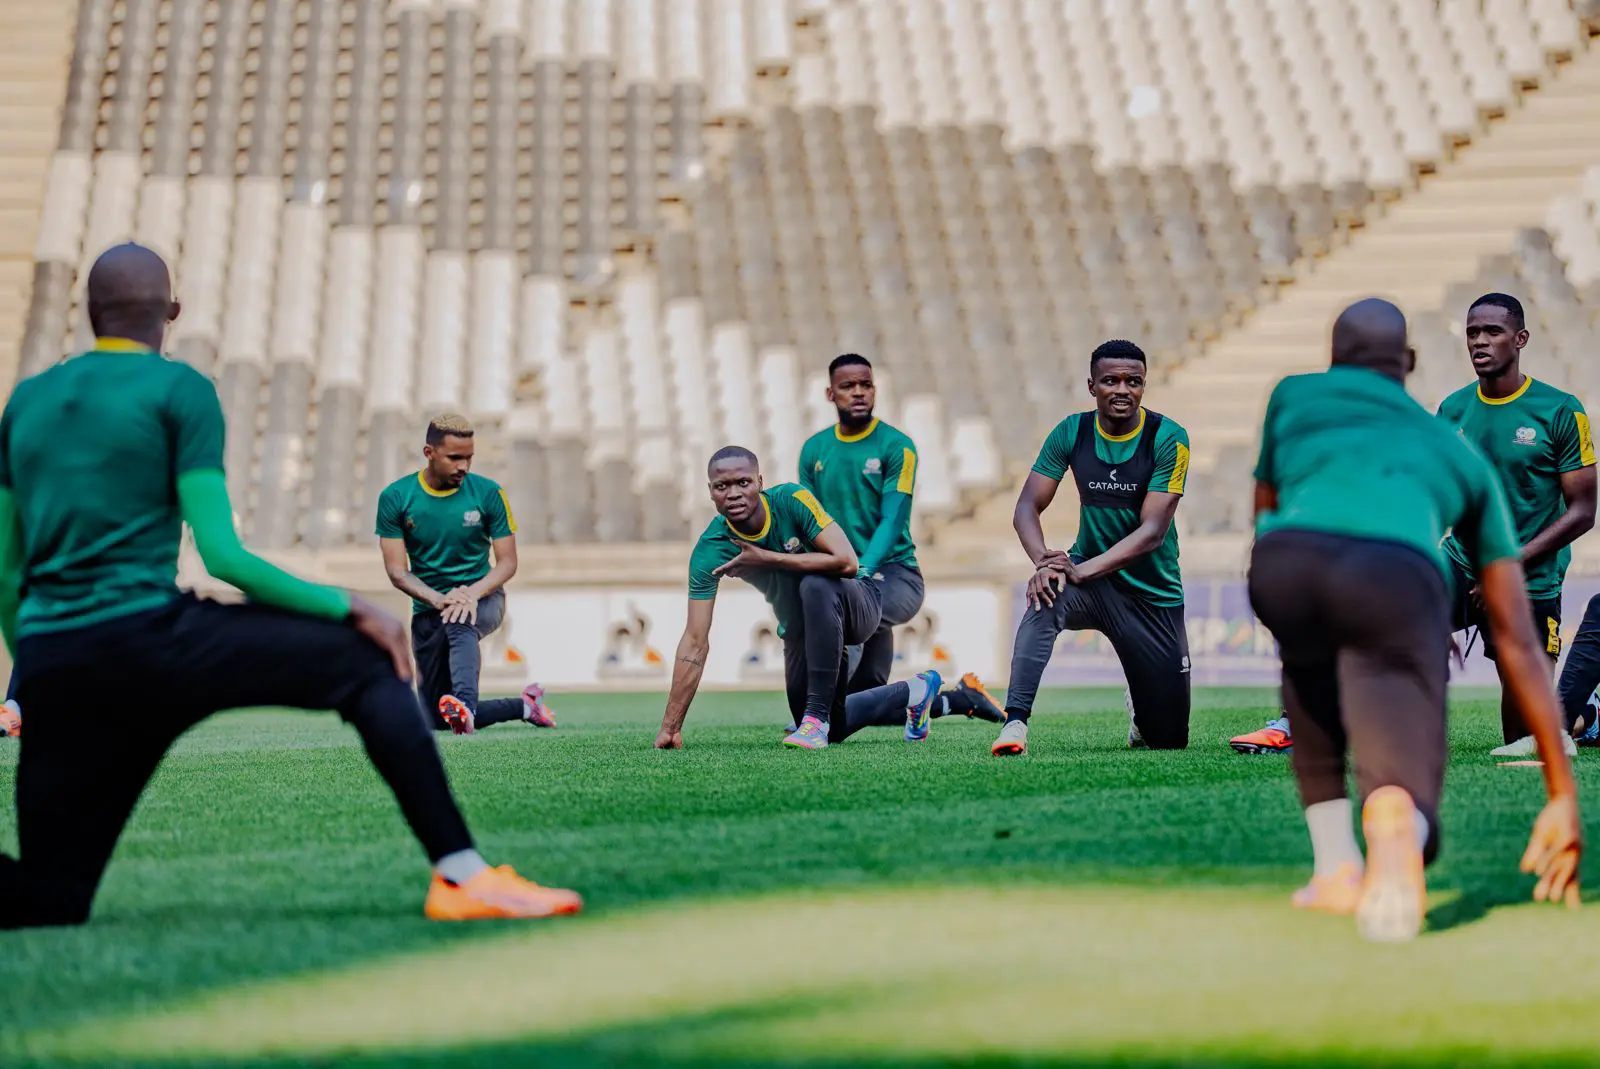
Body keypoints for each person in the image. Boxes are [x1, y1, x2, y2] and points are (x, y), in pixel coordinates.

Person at [0, 243, 580, 928]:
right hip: (156, 640)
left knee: (49, 898)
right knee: (368, 662)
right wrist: (350, 606)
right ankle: (462, 875)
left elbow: (8, 572)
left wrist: (37, 667)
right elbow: (222, 555)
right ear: (171, 313)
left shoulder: (26, 402)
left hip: (59, 660)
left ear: (89, 311)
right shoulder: (179, 390)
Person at [1248, 297, 1581, 942]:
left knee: (1306, 677)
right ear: (1409, 361)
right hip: (1397, 578)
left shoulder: (1290, 396)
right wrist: (1561, 794)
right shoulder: (1453, 450)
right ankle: (1398, 817)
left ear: (1334, 357)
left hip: (1285, 563)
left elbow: (1267, 506)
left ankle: (1335, 869)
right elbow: (1516, 637)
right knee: (1406, 768)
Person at [1231, 291, 1598, 757]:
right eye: (1472, 333)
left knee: (1524, 737)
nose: (1480, 341)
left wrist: (1506, 565)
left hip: (1531, 575)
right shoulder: (1453, 410)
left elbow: (1583, 511)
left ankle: (1588, 718)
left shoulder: (1560, 410)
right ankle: (1295, 723)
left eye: (1493, 332)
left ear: (1521, 339)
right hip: (1460, 562)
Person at [653, 446, 1001, 750]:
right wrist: (671, 726)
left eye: (743, 482)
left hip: (857, 603)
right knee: (835, 725)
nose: (733, 493)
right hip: (800, 632)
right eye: (722, 486)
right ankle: (919, 691)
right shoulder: (710, 550)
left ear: (759, 481)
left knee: (814, 584)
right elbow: (695, 641)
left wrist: (768, 558)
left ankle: (815, 721)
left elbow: (847, 562)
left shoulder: (791, 499)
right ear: (710, 492)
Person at [990, 340, 1192, 757]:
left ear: (1144, 385)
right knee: (1045, 593)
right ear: (1091, 386)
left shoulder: (1168, 437)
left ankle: (1142, 706)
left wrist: (1083, 569)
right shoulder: (1072, 431)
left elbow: (1152, 532)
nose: (1122, 390)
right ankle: (1014, 723)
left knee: (1168, 740)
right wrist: (1044, 561)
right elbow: (1027, 506)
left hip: (1152, 594)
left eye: (1133, 382)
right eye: (1110, 381)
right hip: (1091, 582)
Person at [798, 353, 1000, 723]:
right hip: (847, 578)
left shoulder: (897, 446)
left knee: (843, 620)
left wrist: (860, 573)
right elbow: (809, 523)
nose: (858, 392)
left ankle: (817, 713)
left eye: (866, 385)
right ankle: (959, 700)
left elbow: (892, 521)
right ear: (830, 394)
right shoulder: (814, 451)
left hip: (895, 576)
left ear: (875, 390)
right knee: (864, 705)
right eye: (848, 386)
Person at [376, 414, 555, 735]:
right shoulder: (396, 497)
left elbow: (507, 563)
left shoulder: (489, 493)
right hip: (429, 608)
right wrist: (439, 599)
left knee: (460, 619)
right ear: (429, 453)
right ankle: (526, 706)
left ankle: (466, 709)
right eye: (454, 458)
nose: (464, 466)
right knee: (434, 719)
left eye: (469, 457)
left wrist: (470, 594)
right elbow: (397, 571)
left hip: (484, 597)